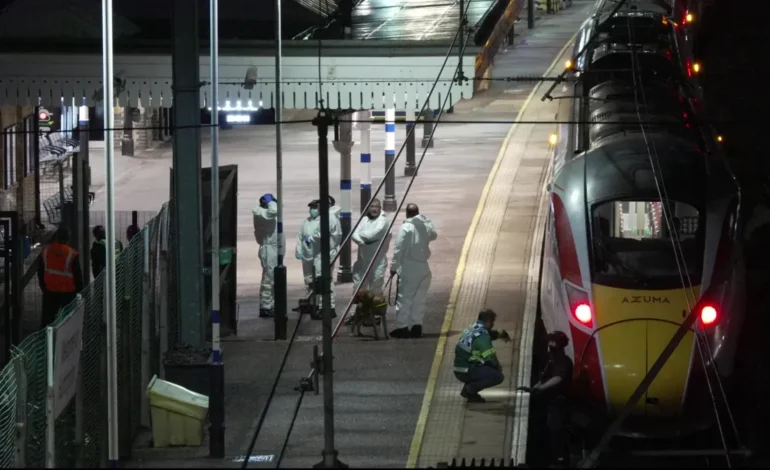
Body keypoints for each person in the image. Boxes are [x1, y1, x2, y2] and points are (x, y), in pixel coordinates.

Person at [519, 331, 574, 466]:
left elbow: (557, 378)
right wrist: (533, 389)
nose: (549, 349)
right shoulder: (551, 361)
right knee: (545, 429)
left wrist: (541, 389)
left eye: (552, 346)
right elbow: (544, 379)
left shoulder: (564, 362)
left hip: (558, 404)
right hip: (548, 402)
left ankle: (559, 459)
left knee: (555, 431)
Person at [389, 203, 437, 338]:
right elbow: (434, 234)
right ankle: (417, 326)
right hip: (424, 267)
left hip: (409, 267)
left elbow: (398, 250)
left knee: (405, 298)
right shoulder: (425, 226)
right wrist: (425, 219)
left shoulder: (405, 228)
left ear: (406, 214)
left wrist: (393, 268)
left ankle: (402, 327)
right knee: (420, 299)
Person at [345, 198, 390, 326]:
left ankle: (376, 315)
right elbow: (353, 234)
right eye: (372, 207)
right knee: (359, 288)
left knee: (375, 288)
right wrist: (361, 241)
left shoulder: (383, 222)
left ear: (380, 208)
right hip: (363, 261)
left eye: (376, 206)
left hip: (377, 261)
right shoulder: (364, 220)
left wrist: (361, 236)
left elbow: (371, 235)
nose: (374, 209)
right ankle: (357, 314)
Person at [296, 199, 342, 317]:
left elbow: (322, 234)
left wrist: (310, 238)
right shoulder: (312, 221)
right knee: (315, 279)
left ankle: (327, 307)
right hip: (317, 253)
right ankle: (317, 305)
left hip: (324, 253)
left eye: (318, 206)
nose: (315, 209)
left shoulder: (329, 217)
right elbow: (301, 236)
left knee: (324, 280)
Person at [453, 309, 508, 403]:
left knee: (486, 369)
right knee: (497, 376)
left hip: (460, 368)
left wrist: (500, 334)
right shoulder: (482, 336)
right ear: (488, 321)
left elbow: (489, 334)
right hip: (466, 370)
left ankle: (470, 387)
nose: (493, 325)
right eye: (492, 322)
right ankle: (469, 390)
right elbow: (490, 358)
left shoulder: (474, 327)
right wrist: (498, 367)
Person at [39, 226, 84, 329]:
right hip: (68, 293)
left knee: (47, 321)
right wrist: (79, 292)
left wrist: (44, 287)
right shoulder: (72, 253)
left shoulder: (46, 251)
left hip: (49, 292)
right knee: (68, 320)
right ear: (68, 237)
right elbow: (78, 276)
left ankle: (44, 340)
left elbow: (40, 272)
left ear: (57, 236)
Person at [253, 193, 279, 318]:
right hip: (268, 249)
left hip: (273, 248)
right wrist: (271, 202)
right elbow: (273, 211)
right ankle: (265, 307)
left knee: (273, 278)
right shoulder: (260, 213)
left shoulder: (265, 213)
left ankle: (270, 304)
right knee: (268, 279)